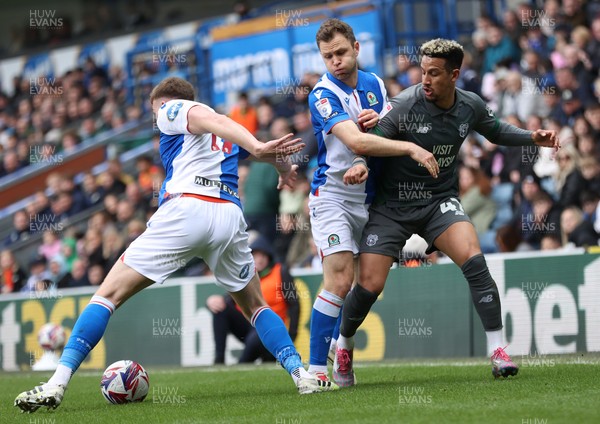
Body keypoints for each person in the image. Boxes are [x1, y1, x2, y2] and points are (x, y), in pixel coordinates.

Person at [14, 77, 333, 414]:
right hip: (228, 217)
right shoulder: (221, 134)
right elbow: (244, 140)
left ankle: (56, 383)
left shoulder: (174, 109)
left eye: (157, 112)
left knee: (106, 296)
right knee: (254, 306)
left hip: (187, 209)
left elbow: (225, 127)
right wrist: (282, 168)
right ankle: (301, 375)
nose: (158, 120)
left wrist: (257, 148)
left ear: (166, 102)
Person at [334, 39, 560, 385]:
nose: (425, 79)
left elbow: (496, 130)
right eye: (423, 71)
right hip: (392, 207)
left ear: (454, 75)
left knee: (474, 258)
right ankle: (345, 344)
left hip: (438, 201)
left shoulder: (469, 105)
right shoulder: (405, 104)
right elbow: (372, 139)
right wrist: (361, 163)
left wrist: (533, 137)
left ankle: (499, 352)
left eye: (434, 73)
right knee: (369, 285)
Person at [306, 18, 439, 387]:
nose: (335, 61)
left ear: (356, 49)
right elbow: (359, 143)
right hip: (332, 196)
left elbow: (386, 129)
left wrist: (380, 118)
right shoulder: (321, 95)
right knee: (339, 277)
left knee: (369, 284)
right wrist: (411, 147)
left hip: (370, 199)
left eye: (341, 52)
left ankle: (338, 344)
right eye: (327, 56)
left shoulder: (375, 84)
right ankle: (316, 372)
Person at [206, 235, 299, 364]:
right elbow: (231, 298)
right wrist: (211, 301)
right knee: (221, 309)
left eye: (263, 256)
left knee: (258, 334)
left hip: (271, 327)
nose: (259, 260)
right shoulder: (246, 274)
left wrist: (292, 335)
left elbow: (294, 306)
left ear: (269, 257)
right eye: (256, 256)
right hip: (248, 325)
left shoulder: (281, 272)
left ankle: (241, 365)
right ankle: (219, 360)